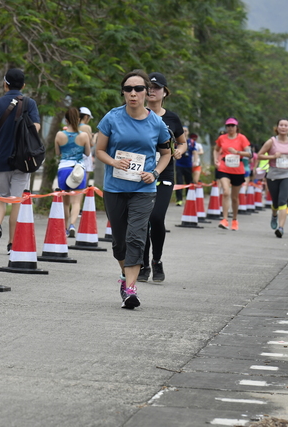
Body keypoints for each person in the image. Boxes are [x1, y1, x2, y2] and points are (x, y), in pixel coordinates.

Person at [96, 69, 171, 309]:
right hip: (115, 188)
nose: (133, 93)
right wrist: (113, 162)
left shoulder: (156, 123)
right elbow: (99, 150)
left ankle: (130, 290)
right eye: (128, 89)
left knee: (136, 237)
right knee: (120, 243)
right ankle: (124, 276)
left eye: (138, 89)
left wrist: (155, 173)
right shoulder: (112, 118)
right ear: (123, 92)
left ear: (146, 92)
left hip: (143, 190)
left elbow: (166, 153)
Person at [0, 68, 41, 253]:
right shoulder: (30, 103)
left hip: (0, 159)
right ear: (23, 85)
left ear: (4, 84)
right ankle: (12, 243)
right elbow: (36, 128)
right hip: (23, 160)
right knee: (16, 200)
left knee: (0, 198)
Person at [139, 72, 187, 283]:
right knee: (142, 219)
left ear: (165, 92)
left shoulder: (172, 118)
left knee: (156, 217)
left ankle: (156, 260)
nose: (152, 90)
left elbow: (182, 142)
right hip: (141, 173)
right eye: (148, 87)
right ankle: (142, 264)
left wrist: (180, 151)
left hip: (164, 173)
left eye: (156, 87)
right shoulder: (137, 114)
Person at [257, 119, 288, 238]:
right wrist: (272, 156)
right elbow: (259, 156)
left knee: (283, 201)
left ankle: (281, 228)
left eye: (286, 125)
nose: (283, 127)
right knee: (276, 202)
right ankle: (274, 215)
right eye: (281, 125)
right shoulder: (271, 141)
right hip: (273, 174)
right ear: (277, 127)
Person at [54, 107, 91, 236]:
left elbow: (58, 153)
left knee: (65, 202)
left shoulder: (59, 135)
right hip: (78, 169)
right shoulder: (84, 135)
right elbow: (87, 153)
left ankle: (64, 227)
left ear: (66, 120)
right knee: (76, 201)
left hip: (63, 168)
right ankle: (72, 225)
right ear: (79, 119)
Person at [213, 117, 252, 231]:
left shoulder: (242, 138)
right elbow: (216, 149)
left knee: (234, 198)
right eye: (228, 126)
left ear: (236, 127)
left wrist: (237, 152)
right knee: (226, 192)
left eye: (232, 126)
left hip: (237, 170)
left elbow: (249, 154)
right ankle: (224, 219)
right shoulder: (222, 138)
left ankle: (234, 219)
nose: (230, 128)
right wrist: (216, 160)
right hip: (224, 168)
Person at [174, 125, 195, 206]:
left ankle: (188, 198)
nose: (184, 132)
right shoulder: (176, 141)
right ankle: (179, 199)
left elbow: (195, 152)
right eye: (183, 131)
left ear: (188, 132)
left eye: (186, 131)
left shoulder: (191, 142)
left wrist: (195, 161)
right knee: (179, 182)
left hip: (188, 165)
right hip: (179, 164)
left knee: (188, 182)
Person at [79, 107, 96, 173]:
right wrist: (95, 137)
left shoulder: (73, 126)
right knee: (83, 176)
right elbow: (91, 144)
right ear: (86, 117)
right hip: (84, 155)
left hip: (73, 155)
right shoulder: (86, 127)